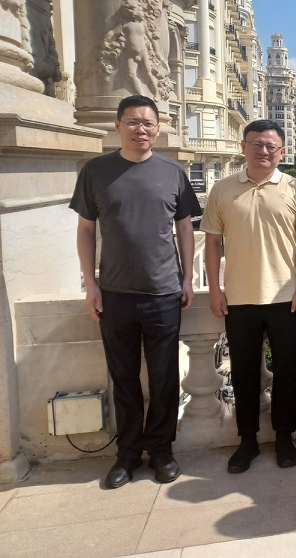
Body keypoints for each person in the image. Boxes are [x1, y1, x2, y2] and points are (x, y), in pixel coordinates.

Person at [70, 95, 201, 489]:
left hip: (163, 292)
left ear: (158, 128)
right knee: (123, 376)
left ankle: (161, 451)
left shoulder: (173, 172)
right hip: (114, 292)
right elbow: (86, 230)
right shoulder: (95, 171)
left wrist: (186, 278)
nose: (140, 129)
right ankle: (126, 456)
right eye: (132, 122)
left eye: (148, 123)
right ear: (117, 125)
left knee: (163, 377)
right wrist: (90, 283)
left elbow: (184, 229)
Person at [201, 120, 296, 473]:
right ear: (243, 146)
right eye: (256, 144)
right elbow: (212, 243)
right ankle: (247, 440)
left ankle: (284, 437)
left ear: (281, 151)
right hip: (238, 298)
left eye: (271, 146)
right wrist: (216, 290)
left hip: (285, 297)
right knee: (245, 373)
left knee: (286, 372)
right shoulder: (222, 189)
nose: (263, 151)